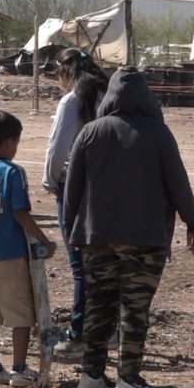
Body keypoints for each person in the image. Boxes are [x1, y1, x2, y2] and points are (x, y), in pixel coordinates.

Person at [63, 66, 194, 388]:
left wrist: (73, 230)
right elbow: (178, 182)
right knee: (134, 308)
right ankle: (128, 378)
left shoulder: (89, 133)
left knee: (100, 305)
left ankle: (91, 374)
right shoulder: (158, 134)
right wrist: (193, 223)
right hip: (144, 238)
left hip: (95, 238)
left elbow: (72, 191)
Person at [0, 111, 58, 387]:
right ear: (8, 142)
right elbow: (20, 213)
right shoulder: (12, 172)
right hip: (9, 252)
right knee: (20, 313)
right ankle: (18, 369)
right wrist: (44, 240)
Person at [41, 47, 111, 358]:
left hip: (75, 186)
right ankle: (110, 329)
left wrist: (51, 181)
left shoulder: (72, 101)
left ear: (65, 73)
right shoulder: (109, 96)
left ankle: (78, 334)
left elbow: (57, 148)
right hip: (108, 186)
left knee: (80, 265)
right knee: (105, 264)